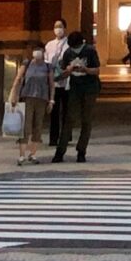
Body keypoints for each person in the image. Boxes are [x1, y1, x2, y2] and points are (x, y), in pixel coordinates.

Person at [53, 25, 101, 163]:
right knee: (69, 119)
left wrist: (86, 69)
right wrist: (68, 71)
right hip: (75, 88)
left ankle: (81, 151)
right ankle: (60, 151)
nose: (75, 51)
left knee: (87, 120)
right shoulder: (68, 53)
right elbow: (59, 75)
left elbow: (97, 70)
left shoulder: (90, 51)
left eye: (76, 48)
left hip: (90, 89)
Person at [12, 42, 53, 166]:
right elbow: (18, 79)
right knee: (26, 126)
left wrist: (51, 100)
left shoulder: (48, 67)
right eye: (35, 50)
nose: (37, 52)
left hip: (42, 98)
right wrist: (13, 95)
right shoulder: (27, 63)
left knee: (38, 126)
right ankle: (21, 155)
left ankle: (33, 154)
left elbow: (51, 84)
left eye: (39, 49)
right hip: (27, 97)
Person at [42, 18, 71, 149]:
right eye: (55, 26)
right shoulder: (49, 45)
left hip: (66, 82)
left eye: (60, 26)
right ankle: (53, 137)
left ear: (65, 28)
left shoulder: (69, 44)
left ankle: (65, 136)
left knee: (66, 110)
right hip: (53, 82)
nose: (57, 29)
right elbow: (46, 61)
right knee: (53, 110)